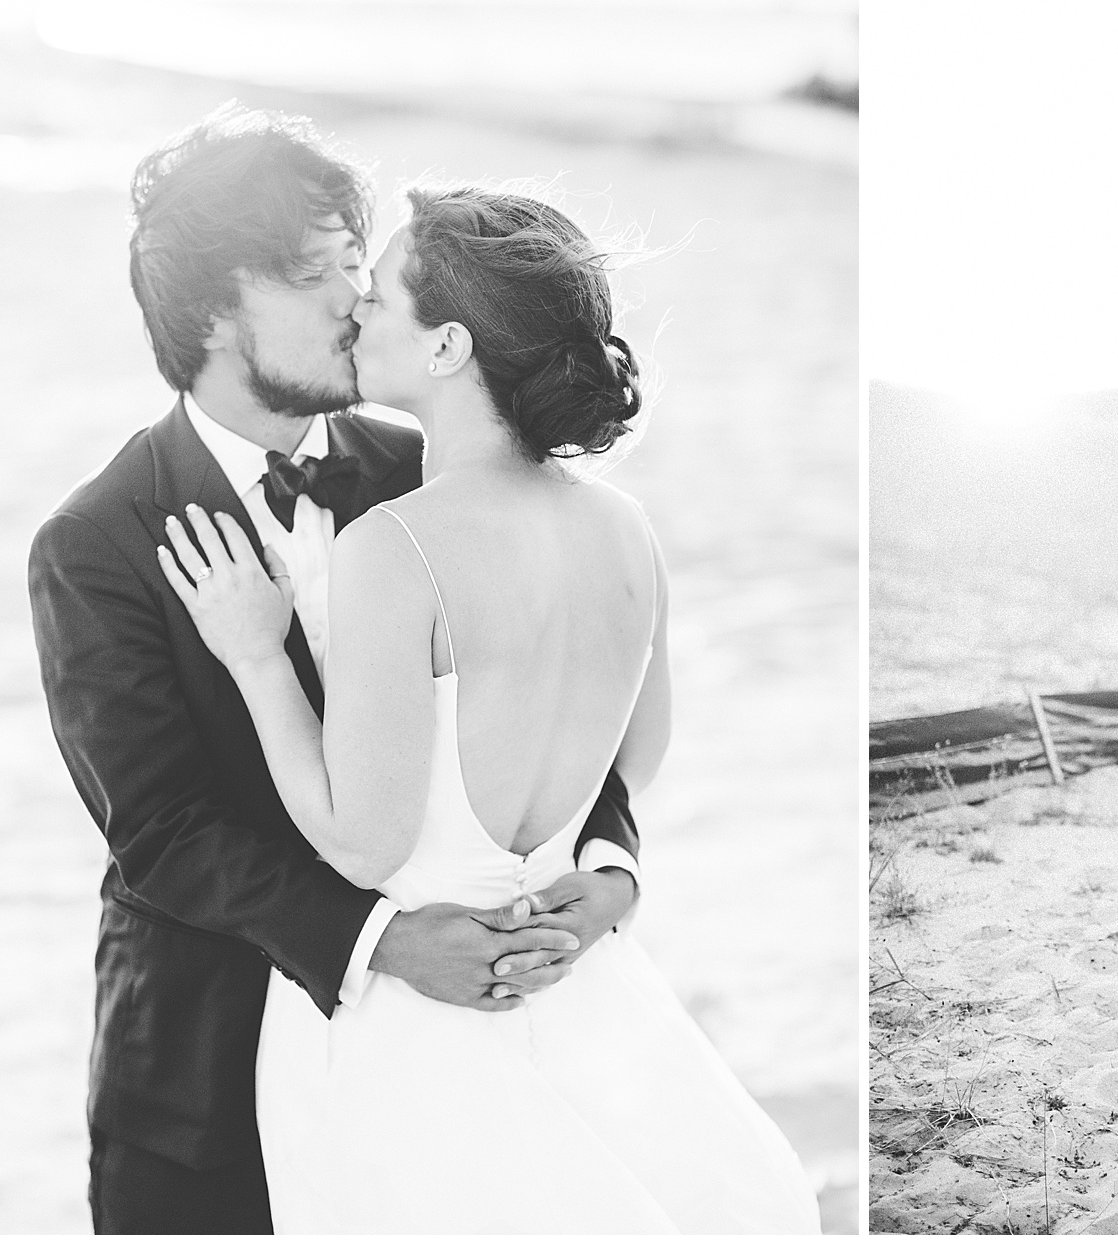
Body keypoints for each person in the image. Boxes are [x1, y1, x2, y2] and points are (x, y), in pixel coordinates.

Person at [158, 181, 821, 1232]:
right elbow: (634, 762)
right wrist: (596, 877)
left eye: (376, 296)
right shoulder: (624, 532)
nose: (354, 313)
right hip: (572, 988)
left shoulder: (400, 546)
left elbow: (363, 846)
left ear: (447, 347)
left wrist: (253, 656)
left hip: (414, 1026)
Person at [29, 106, 643, 1234]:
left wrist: (611, 864)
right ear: (215, 309)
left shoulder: (429, 467)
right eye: (316, 272)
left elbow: (547, 688)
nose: (356, 298)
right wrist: (388, 945)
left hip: (453, 1055)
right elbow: (162, 832)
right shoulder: (97, 540)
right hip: (205, 1082)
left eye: (360, 265)